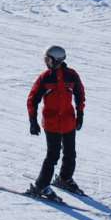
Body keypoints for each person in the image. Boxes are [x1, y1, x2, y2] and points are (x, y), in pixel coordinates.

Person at [26, 46, 85, 199]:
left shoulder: (71, 76)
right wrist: (33, 121)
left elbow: (80, 95)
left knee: (70, 153)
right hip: (51, 123)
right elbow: (32, 100)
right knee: (53, 155)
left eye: (48, 59)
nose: (46, 62)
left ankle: (65, 179)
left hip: (68, 121)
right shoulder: (45, 78)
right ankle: (41, 185)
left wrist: (80, 115)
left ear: (57, 60)